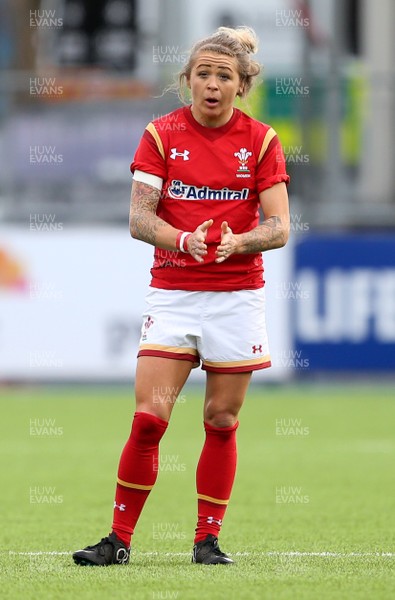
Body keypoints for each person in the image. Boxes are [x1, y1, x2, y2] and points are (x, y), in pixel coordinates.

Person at [73, 25, 290, 567]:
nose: (212, 85)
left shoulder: (260, 140)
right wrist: (184, 240)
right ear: (187, 79)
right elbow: (139, 218)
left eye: (225, 76)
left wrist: (238, 241)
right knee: (149, 418)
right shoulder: (161, 134)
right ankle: (118, 540)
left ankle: (206, 541)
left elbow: (280, 226)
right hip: (173, 291)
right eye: (203, 74)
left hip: (237, 295)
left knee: (220, 420)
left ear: (242, 85)